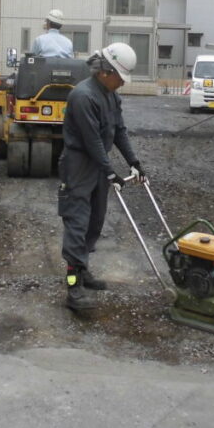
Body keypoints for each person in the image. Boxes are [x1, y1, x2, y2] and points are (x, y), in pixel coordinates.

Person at [58, 42, 146, 311]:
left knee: (95, 222)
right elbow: (92, 140)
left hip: (97, 165)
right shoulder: (83, 96)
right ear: (106, 71)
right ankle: (73, 286)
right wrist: (110, 171)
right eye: (120, 77)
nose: (122, 83)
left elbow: (118, 131)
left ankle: (82, 271)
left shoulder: (111, 95)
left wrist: (134, 162)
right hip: (78, 165)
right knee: (77, 225)